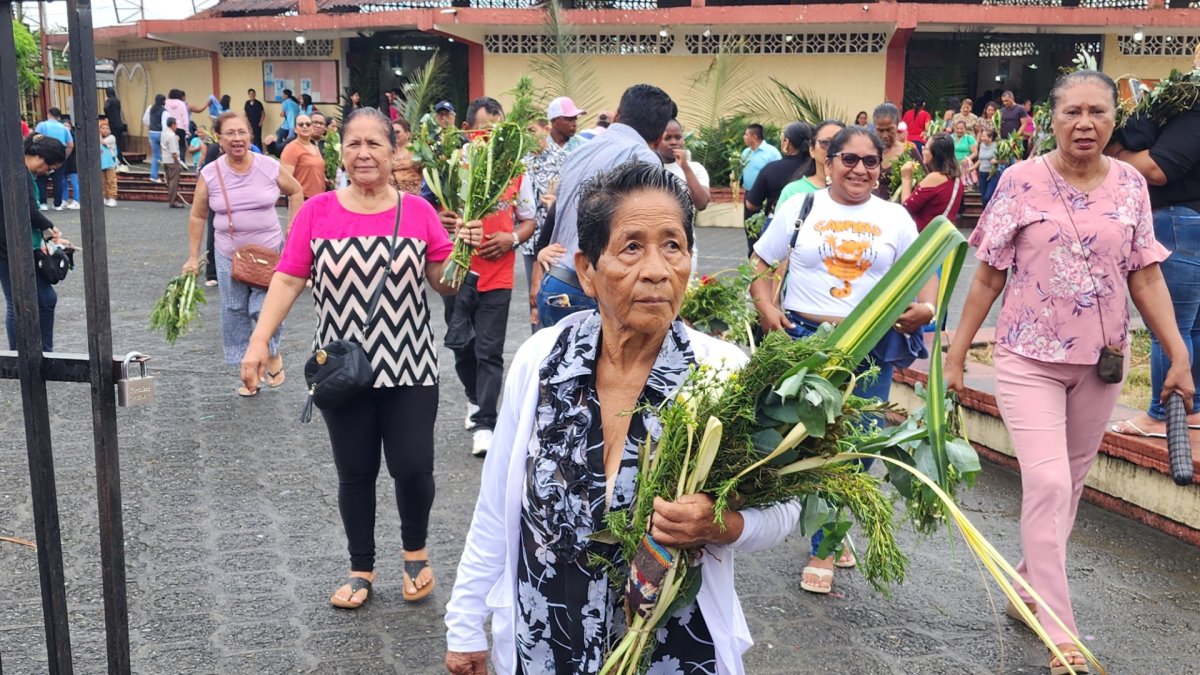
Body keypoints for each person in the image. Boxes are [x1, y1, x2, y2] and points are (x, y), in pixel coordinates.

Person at [444, 160, 799, 675]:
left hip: (670, 648)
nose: (656, 269)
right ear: (588, 270)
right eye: (632, 247)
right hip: (547, 641)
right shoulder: (544, 360)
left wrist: (722, 523)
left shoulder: (721, 375)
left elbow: (785, 509)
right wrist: (464, 625)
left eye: (673, 246)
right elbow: (498, 507)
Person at [945, 70, 1194, 675]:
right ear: (1050, 119)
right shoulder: (1020, 182)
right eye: (1072, 112)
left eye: (1098, 113)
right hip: (1027, 359)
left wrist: (1178, 352)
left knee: (1071, 488)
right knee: (1051, 485)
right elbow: (988, 274)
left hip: (1103, 365)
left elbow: (1146, 274)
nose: (1085, 123)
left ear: (1115, 120)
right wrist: (955, 354)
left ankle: (1027, 583)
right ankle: (1062, 637)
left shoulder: (1133, 184)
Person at [242, 107, 455, 610]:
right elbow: (290, 278)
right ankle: (361, 569)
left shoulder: (419, 211)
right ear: (341, 150)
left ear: (392, 151)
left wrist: (461, 255)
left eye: (374, 144)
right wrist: (259, 341)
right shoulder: (317, 211)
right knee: (355, 472)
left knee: (413, 466)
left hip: (411, 366)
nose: (363, 153)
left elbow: (444, 283)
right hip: (343, 372)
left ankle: (416, 555)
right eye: (354, 143)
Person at [748, 126, 937, 594]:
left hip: (870, 346)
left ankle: (825, 535)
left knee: (857, 447)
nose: (859, 169)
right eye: (848, 159)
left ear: (881, 167)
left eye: (869, 161)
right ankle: (825, 539)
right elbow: (763, 266)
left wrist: (927, 308)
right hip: (805, 339)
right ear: (828, 162)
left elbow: (926, 268)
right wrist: (767, 307)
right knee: (809, 442)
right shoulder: (801, 207)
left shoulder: (895, 217)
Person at [439, 97, 536, 457]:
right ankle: (473, 397)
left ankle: (485, 423)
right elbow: (431, 212)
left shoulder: (515, 171)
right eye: (486, 131)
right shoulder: (450, 168)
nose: (492, 138)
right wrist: (443, 221)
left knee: (489, 350)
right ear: (467, 131)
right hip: (457, 271)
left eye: (500, 131)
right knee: (462, 345)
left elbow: (529, 221)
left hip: (498, 274)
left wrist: (510, 238)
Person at [533, 84, 675, 328]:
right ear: (661, 135)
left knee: (555, 365)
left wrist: (539, 257)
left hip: (555, 281)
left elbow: (556, 212)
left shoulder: (580, 151)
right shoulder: (644, 159)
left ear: (618, 114)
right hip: (591, 292)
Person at [182, 110, 303, 394]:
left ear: (250, 135)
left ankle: (270, 352)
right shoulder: (210, 174)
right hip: (228, 254)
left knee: (262, 309)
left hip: (269, 252)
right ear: (219, 139)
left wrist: (294, 229)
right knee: (235, 311)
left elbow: (296, 191)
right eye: (230, 134)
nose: (237, 139)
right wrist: (192, 256)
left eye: (242, 132)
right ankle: (248, 375)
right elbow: (198, 216)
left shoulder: (268, 166)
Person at [1106, 71, 1200, 437]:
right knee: (1191, 326)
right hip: (1190, 220)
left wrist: (1113, 152)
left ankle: (1161, 414)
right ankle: (1192, 410)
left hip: (1178, 221)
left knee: (1169, 325)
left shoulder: (1193, 111)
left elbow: (1158, 169)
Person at [0, 134, 68, 350]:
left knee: (42, 298)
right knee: (19, 303)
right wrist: (50, 227)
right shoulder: (18, 172)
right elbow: (27, 209)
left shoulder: (17, 170)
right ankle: (22, 353)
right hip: (9, 248)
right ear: (39, 157)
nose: (48, 172)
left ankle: (40, 351)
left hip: (18, 245)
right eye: (50, 167)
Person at [745, 122, 813, 221]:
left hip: (779, 223)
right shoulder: (818, 167)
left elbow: (751, 205)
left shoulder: (771, 169)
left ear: (786, 142)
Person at [901, 132, 964, 231]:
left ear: (935, 154)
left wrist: (906, 178)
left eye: (925, 148)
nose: (923, 150)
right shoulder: (957, 179)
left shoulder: (934, 178)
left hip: (926, 237)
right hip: (943, 236)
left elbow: (906, 208)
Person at [777, 120, 844, 207]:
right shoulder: (793, 192)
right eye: (825, 143)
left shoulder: (857, 190)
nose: (832, 149)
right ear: (812, 150)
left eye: (841, 143)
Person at [872, 102, 923, 199]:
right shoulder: (869, 151)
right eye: (880, 130)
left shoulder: (908, 150)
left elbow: (922, 182)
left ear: (897, 126)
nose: (885, 135)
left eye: (889, 129)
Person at [658, 118, 710, 211]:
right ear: (657, 141)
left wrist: (685, 167)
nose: (674, 142)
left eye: (678, 137)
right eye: (667, 138)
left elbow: (702, 204)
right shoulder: (650, 167)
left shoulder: (696, 168)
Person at [33, 107, 73, 211]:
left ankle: (43, 203)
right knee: (58, 180)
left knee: (42, 180)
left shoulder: (42, 125)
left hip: (45, 153)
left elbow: (35, 139)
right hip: (60, 154)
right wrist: (64, 157)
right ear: (59, 116)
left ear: (48, 114)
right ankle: (58, 204)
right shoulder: (64, 128)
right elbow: (70, 145)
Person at [280, 114, 327, 199]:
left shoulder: (315, 147)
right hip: (302, 199)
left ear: (312, 128)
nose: (305, 126)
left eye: (308, 124)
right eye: (301, 124)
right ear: (295, 129)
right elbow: (285, 181)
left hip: (319, 198)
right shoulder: (291, 148)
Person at [739, 123, 781, 208]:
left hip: (766, 196)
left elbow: (779, 174)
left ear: (754, 137)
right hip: (748, 194)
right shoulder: (745, 152)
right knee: (747, 220)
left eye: (746, 134)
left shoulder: (772, 153)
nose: (744, 137)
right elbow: (740, 171)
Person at [391, 118, 423, 194]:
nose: (394, 135)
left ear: (408, 134)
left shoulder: (417, 150)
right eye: (392, 133)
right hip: (393, 196)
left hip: (415, 195)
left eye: (397, 132)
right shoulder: (388, 152)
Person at [161, 118, 187, 209]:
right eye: (176, 124)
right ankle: (173, 201)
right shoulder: (171, 136)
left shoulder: (164, 132)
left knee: (169, 180)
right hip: (172, 161)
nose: (176, 126)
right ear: (173, 125)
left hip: (165, 159)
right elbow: (174, 152)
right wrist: (178, 162)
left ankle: (172, 199)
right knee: (173, 182)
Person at [970, 128, 1000, 207]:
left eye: (983, 136)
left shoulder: (997, 146)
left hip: (992, 174)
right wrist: (972, 168)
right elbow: (981, 159)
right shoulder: (982, 145)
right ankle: (984, 215)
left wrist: (996, 161)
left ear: (990, 138)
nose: (981, 138)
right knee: (983, 197)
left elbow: (1006, 160)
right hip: (982, 173)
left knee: (988, 196)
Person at [59, 120, 81, 210]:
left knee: (74, 182)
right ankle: (64, 199)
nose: (66, 127)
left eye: (67, 125)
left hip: (72, 161)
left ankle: (76, 201)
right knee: (63, 182)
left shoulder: (74, 136)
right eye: (64, 125)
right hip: (63, 161)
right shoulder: (60, 136)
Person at [949, 119, 978, 188]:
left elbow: (975, 153)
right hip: (952, 164)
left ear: (965, 129)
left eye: (961, 129)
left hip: (965, 165)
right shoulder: (950, 137)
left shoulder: (969, 138)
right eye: (957, 128)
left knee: (963, 184)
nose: (959, 130)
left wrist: (967, 159)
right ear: (954, 128)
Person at [145, 94, 167, 183]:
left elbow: (145, 120)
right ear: (163, 101)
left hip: (152, 133)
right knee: (167, 155)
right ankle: (167, 176)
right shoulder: (164, 111)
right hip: (161, 133)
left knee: (155, 155)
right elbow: (164, 124)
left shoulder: (150, 109)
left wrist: (150, 127)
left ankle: (153, 175)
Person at [103, 86, 127, 163]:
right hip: (119, 123)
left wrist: (107, 115)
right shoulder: (117, 100)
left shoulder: (109, 101)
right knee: (119, 142)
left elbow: (106, 108)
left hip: (113, 124)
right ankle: (120, 157)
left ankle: (118, 158)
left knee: (114, 141)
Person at [99, 118, 119, 208]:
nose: (105, 130)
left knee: (111, 180)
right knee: (101, 181)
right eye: (102, 128)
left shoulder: (111, 138)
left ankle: (112, 197)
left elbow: (102, 142)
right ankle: (103, 197)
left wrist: (97, 133)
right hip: (100, 163)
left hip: (110, 163)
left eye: (107, 128)